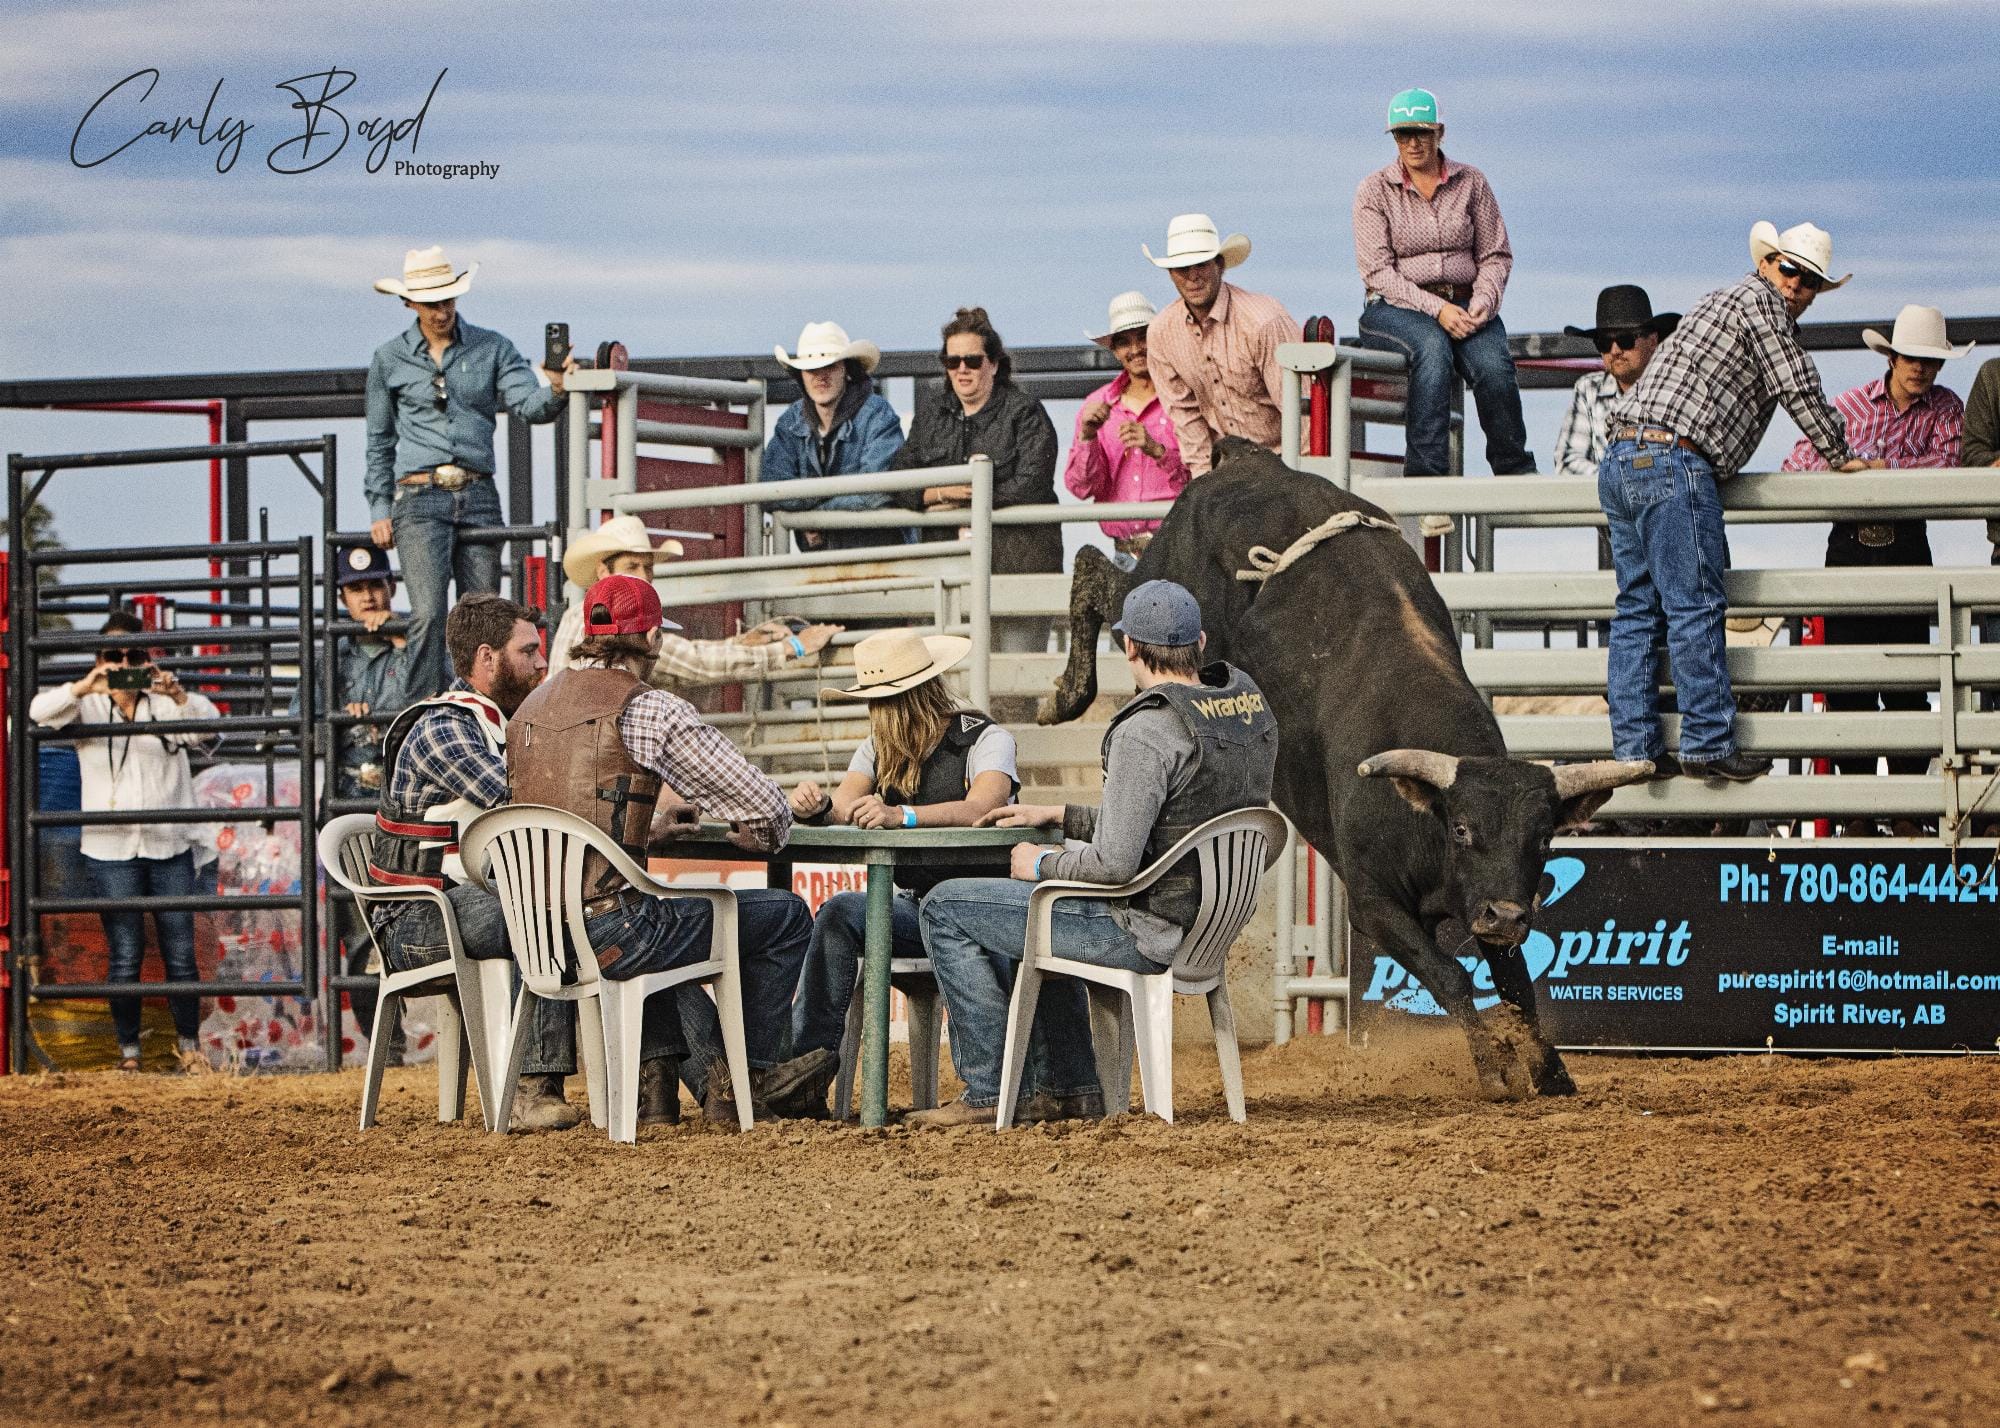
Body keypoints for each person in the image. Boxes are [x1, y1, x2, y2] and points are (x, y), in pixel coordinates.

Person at [913, 580, 1278, 1128]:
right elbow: (1178, 827)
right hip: (1206, 927)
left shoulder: (1147, 729)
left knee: (945, 906)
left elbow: (1113, 867)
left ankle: (987, 1092)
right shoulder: (1245, 708)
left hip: (1141, 930)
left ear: (1128, 646)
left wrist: (1037, 863)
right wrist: (1060, 814)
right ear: (1200, 641)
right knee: (1023, 909)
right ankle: (1071, 1087)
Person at [509, 574, 834, 1126]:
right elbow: (762, 805)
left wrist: (645, 826)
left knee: (667, 914)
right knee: (781, 916)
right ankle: (742, 1081)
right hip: (610, 930)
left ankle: (663, 1091)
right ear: (654, 637)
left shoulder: (527, 709)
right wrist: (761, 834)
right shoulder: (650, 710)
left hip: (535, 932)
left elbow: (555, 814)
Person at [1600, 220, 1875, 783]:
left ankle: (1635, 750)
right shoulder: (1762, 304)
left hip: (1623, 457)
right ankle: (1706, 743)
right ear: (1769, 264)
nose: (1796, 286)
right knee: (1696, 605)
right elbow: (1795, 381)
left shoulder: (1719, 300)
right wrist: (1839, 453)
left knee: (1636, 612)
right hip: (1674, 458)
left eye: (1810, 280)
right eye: (1791, 270)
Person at [785, 628, 1018, 1113]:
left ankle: (989, 1088)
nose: (875, 714)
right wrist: (820, 804)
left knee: (893, 913)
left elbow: (986, 805)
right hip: (918, 907)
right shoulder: (878, 746)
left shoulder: (987, 738)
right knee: (837, 914)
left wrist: (903, 815)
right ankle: (806, 1069)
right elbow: (846, 805)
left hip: (982, 907)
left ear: (902, 701)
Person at [364, 594, 574, 1128]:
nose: (541, 662)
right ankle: (528, 1089)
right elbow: (519, 800)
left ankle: (693, 1080)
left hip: (459, 902)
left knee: (596, 908)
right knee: (544, 909)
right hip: (415, 918)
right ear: (486, 658)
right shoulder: (445, 726)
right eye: (528, 651)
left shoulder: (498, 722)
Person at [365, 245, 574, 697]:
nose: (442, 310)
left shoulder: (492, 347)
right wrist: (380, 506)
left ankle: (488, 712)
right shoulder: (388, 359)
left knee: (486, 616)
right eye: (432, 301)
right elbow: (379, 440)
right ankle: (421, 717)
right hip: (418, 496)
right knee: (428, 613)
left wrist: (556, 387)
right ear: (409, 304)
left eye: (448, 299)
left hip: (477, 492)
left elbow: (529, 404)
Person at [1781, 304, 1969, 803]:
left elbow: (1949, 464)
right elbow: (1797, 462)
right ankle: (1860, 805)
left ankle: (1905, 804)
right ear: (1892, 357)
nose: (1921, 369)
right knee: (1850, 683)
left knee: (1909, 681)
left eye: (1930, 360)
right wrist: (1842, 473)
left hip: (1903, 548)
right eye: (1912, 357)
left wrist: (1874, 468)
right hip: (1853, 548)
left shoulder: (1946, 408)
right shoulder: (1850, 405)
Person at [30, 611, 221, 1072]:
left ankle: (190, 1049)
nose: (123, 664)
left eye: (133, 655)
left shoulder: (166, 702)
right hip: (112, 849)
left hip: (169, 843)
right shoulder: (86, 706)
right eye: (113, 656)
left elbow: (209, 728)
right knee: (125, 953)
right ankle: (129, 1054)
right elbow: (36, 713)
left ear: (148, 659)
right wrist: (84, 686)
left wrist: (176, 693)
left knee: (180, 951)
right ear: (98, 660)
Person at [1352, 88, 1534, 482]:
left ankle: (1515, 471)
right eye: (1403, 135)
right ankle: (1426, 477)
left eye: (1421, 132)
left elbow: (1495, 254)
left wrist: (1484, 300)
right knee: (1432, 350)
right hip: (1394, 306)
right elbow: (1377, 271)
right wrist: (1438, 310)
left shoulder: (1472, 182)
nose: (1413, 143)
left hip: (1466, 301)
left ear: (1440, 133)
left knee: (1494, 367)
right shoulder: (1373, 190)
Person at [294, 544, 418, 1057]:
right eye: (356, 588)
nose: (368, 596)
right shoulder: (330, 651)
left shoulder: (414, 641)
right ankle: (385, 1041)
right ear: (343, 597)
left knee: (410, 913)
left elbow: (432, 701)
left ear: (390, 587)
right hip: (349, 799)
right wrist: (341, 718)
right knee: (356, 929)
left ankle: (417, 1034)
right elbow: (303, 720)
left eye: (375, 585)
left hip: (401, 801)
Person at [891, 307, 1061, 650]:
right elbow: (897, 479)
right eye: (952, 362)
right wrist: (940, 493)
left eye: (972, 360)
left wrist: (973, 495)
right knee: (952, 682)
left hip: (1017, 571)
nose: (962, 369)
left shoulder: (1026, 413)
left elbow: (1033, 482)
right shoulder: (931, 416)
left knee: (1016, 682)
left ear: (994, 364)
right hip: (950, 576)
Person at [549, 514, 841, 686]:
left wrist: (738, 644)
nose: (644, 577)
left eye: (648, 567)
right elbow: (697, 663)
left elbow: (680, 656)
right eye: (631, 567)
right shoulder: (627, 624)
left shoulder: (579, 616)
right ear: (603, 572)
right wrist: (795, 647)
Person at [1142, 214, 1303, 476]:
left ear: (1219, 265)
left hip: (1284, 461)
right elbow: (1186, 418)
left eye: (1201, 265)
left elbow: (1298, 408)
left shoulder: (1263, 320)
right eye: (1183, 268)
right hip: (1225, 470)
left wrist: (1303, 477)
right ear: (1171, 274)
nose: (1193, 277)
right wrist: (1204, 483)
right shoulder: (1162, 333)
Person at [763, 322, 910, 551]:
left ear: (847, 369)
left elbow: (877, 491)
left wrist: (815, 518)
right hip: (820, 564)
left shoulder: (878, 414)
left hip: (879, 559)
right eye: (811, 368)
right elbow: (770, 489)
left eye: (829, 366)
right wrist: (829, 503)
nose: (820, 376)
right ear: (801, 375)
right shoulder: (790, 422)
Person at [1064, 291, 1189, 560]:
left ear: (1158, 338)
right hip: (1122, 552)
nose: (1135, 350)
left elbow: (1202, 477)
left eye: (1142, 337)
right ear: (1115, 350)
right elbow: (1082, 488)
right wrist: (1088, 437)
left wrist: (1158, 450)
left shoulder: (1183, 396)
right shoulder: (1096, 404)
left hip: (1178, 550)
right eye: (1124, 342)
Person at [1554, 286, 1680, 477]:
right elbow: (1568, 462)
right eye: (1604, 342)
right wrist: (1620, 483)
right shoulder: (1589, 389)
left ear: (1653, 341)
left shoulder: (1677, 388)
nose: (1615, 350)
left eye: (1625, 339)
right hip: (1606, 504)